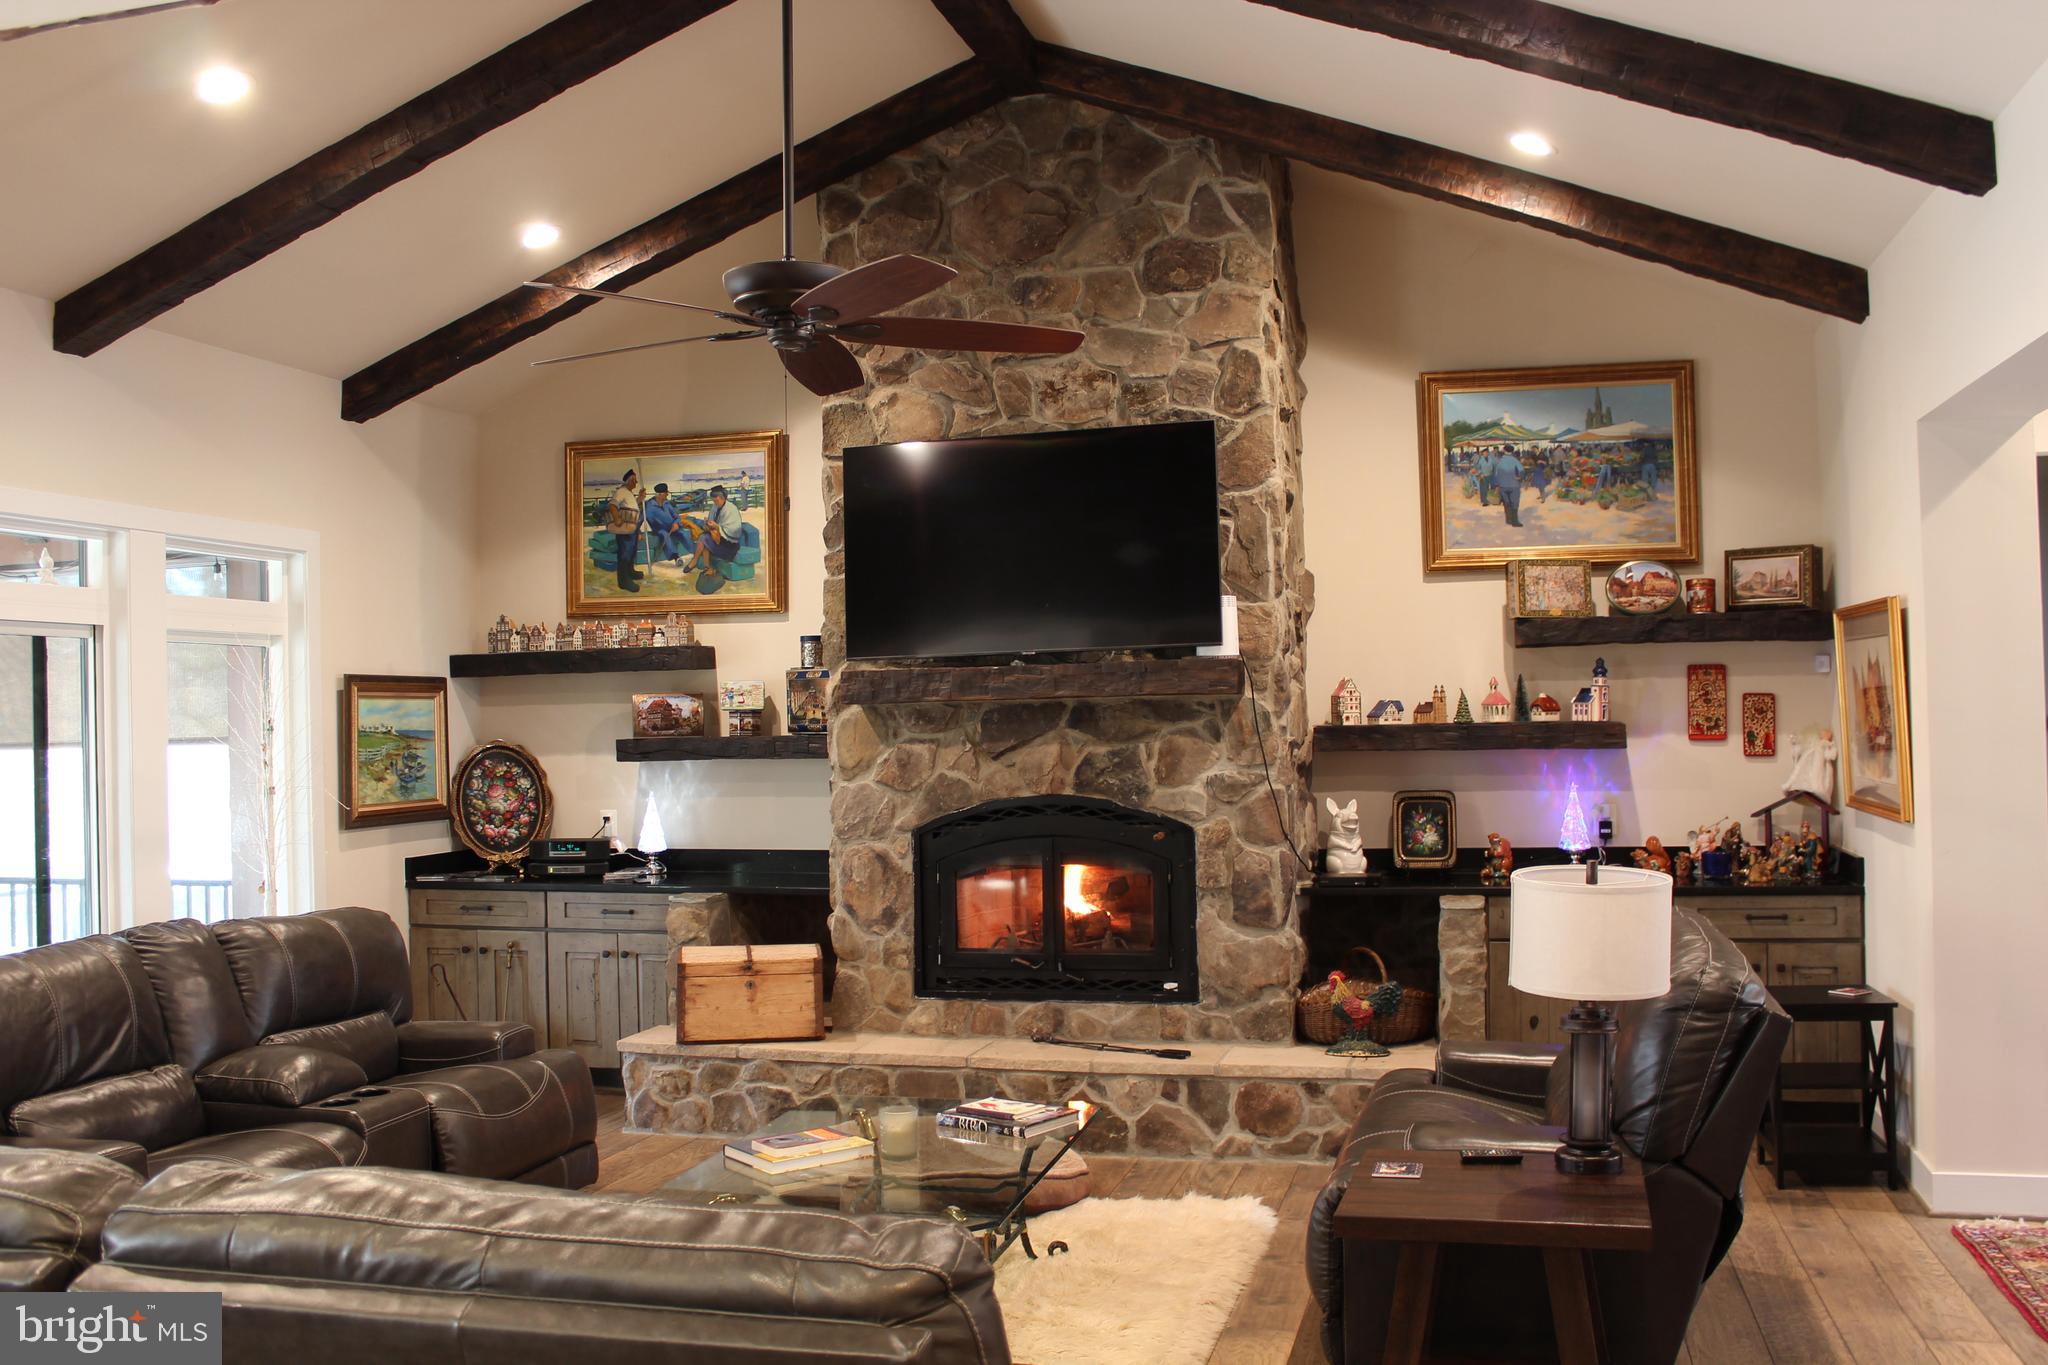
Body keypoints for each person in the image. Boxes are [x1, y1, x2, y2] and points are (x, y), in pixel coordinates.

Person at [681, 484, 746, 578]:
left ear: (723, 498)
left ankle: (696, 562)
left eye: (716, 501)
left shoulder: (731, 509)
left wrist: (717, 527)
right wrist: (707, 524)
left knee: (704, 538)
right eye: (714, 501)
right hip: (718, 539)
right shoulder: (715, 507)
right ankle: (706, 566)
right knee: (705, 536)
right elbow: (712, 524)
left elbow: (734, 530)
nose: (715, 503)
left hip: (729, 545)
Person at [606, 469, 645, 591]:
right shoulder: (621, 491)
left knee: (631, 551)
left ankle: (630, 572)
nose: (636, 482)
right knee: (625, 552)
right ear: (630, 480)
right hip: (624, 527)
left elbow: (631, 506)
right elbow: (612, 505)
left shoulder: (628, 493)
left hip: (632, 527)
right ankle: (623, 581)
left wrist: (640, 498)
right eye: (634, 480)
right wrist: (617, 518)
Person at [643, 482, 686, 563]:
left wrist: (676, 523)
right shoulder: (650, 506)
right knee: (664, 534)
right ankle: (676, 557)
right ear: (659, 494)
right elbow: (649, 520)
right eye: (666, 493)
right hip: (659, 529)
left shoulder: (667, 503)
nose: (667, 494)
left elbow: (676, 516)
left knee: (683, 532)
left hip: (672, 527)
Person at [1492, 445, 1524, 528]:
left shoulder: (1499, 461)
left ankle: (1508, 519)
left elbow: (1496, 474)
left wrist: (1496, 485)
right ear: (1512, 451)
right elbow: (1522, 471)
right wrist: (1519, 477)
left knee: (1506, 503)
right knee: (1514, 503)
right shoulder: (1515, 460)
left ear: (1504, 450)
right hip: (1514, 485)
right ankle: (1515, 521)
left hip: (1503, 485)